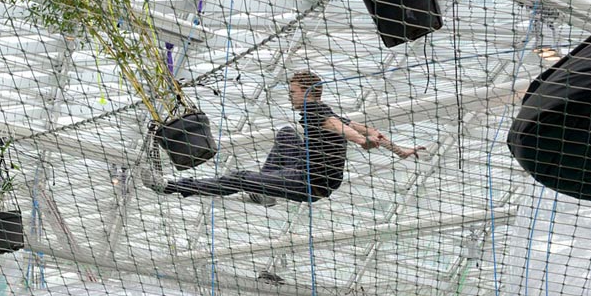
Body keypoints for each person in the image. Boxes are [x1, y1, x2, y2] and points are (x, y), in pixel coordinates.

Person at [143, 71, 427, 203]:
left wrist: (362, 142)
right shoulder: (324, 109)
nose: (290, 97)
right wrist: (399, 150)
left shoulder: (318, 113)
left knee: (239, 177)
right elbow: (365, 129)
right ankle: (262, 192)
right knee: (287, 134)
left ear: (306, 92)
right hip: (304, 169)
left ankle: (172, 187)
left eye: (292, 92)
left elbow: (343, 129)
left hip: (309, 184)